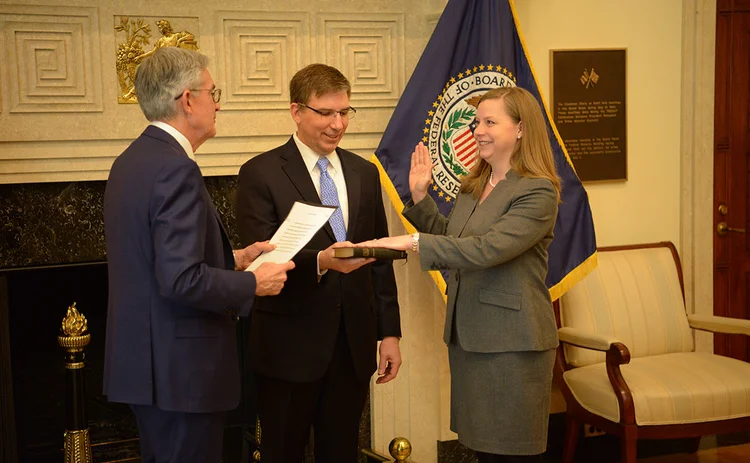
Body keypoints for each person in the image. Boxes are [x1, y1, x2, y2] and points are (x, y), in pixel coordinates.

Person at [102, 47, 294, 463]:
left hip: (148, 370)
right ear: (188, 100)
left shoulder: (130, 161)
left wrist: (235, 258)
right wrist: (252, 283)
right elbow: (180, 279)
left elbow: (154, 262)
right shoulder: (175, 168)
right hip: (183, 375)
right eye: (213, 91)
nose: (218, 102)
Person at [360, 86, 561, 463]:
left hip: (512, 346)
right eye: (476, 122)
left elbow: (486, 250)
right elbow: (456, 243)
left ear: (520, 129)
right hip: (471, 339)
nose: (478, 130)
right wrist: (421, 198)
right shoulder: (474, 186)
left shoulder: (537, 191)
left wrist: (412, 242)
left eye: (490, 122)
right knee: (484, 451)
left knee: (512, 454)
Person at [235, 63, 402, 462]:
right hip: (288, 349)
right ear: (297, 111)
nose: (337, 124)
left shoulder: (364, 172)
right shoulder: (260, 173)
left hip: (353, 347)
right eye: (325, 113)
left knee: (342, 452)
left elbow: (378, 258)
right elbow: (261, 256)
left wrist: (390, 333)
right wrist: (322, 262)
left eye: (344, 112)